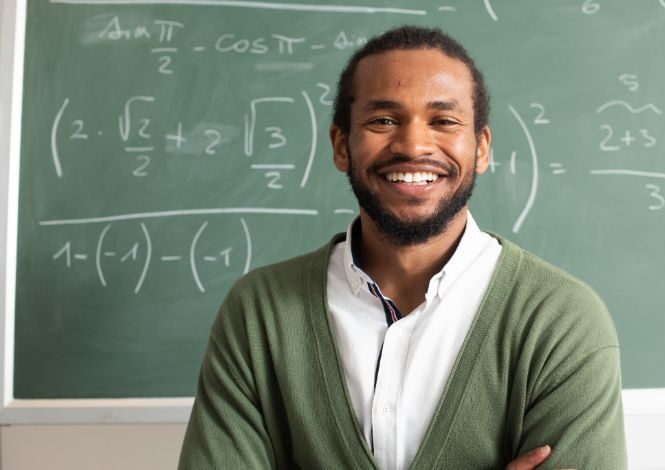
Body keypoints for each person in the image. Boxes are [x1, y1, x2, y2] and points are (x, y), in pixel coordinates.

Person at [178, 26, 627, 469]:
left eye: (444, 121)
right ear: (340, 146)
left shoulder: (561, 320)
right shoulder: (259, 312)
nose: (413, 144)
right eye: (383, 120)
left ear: (481, 149)